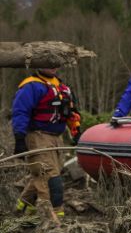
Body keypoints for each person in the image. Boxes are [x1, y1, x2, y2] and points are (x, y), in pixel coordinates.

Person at [12, 67, 82, 217]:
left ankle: (21, 207)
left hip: (57, 137)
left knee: (44, 174)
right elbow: (20, 112)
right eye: (47, 63)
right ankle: (54, 217)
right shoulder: (31, 86)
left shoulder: (63, 87)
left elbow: (72, 113)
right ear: (38, 64)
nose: (52, 67)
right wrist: (19, 138)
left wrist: (76, 132)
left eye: (54, 64)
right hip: (37, 136)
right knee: (50, 177)